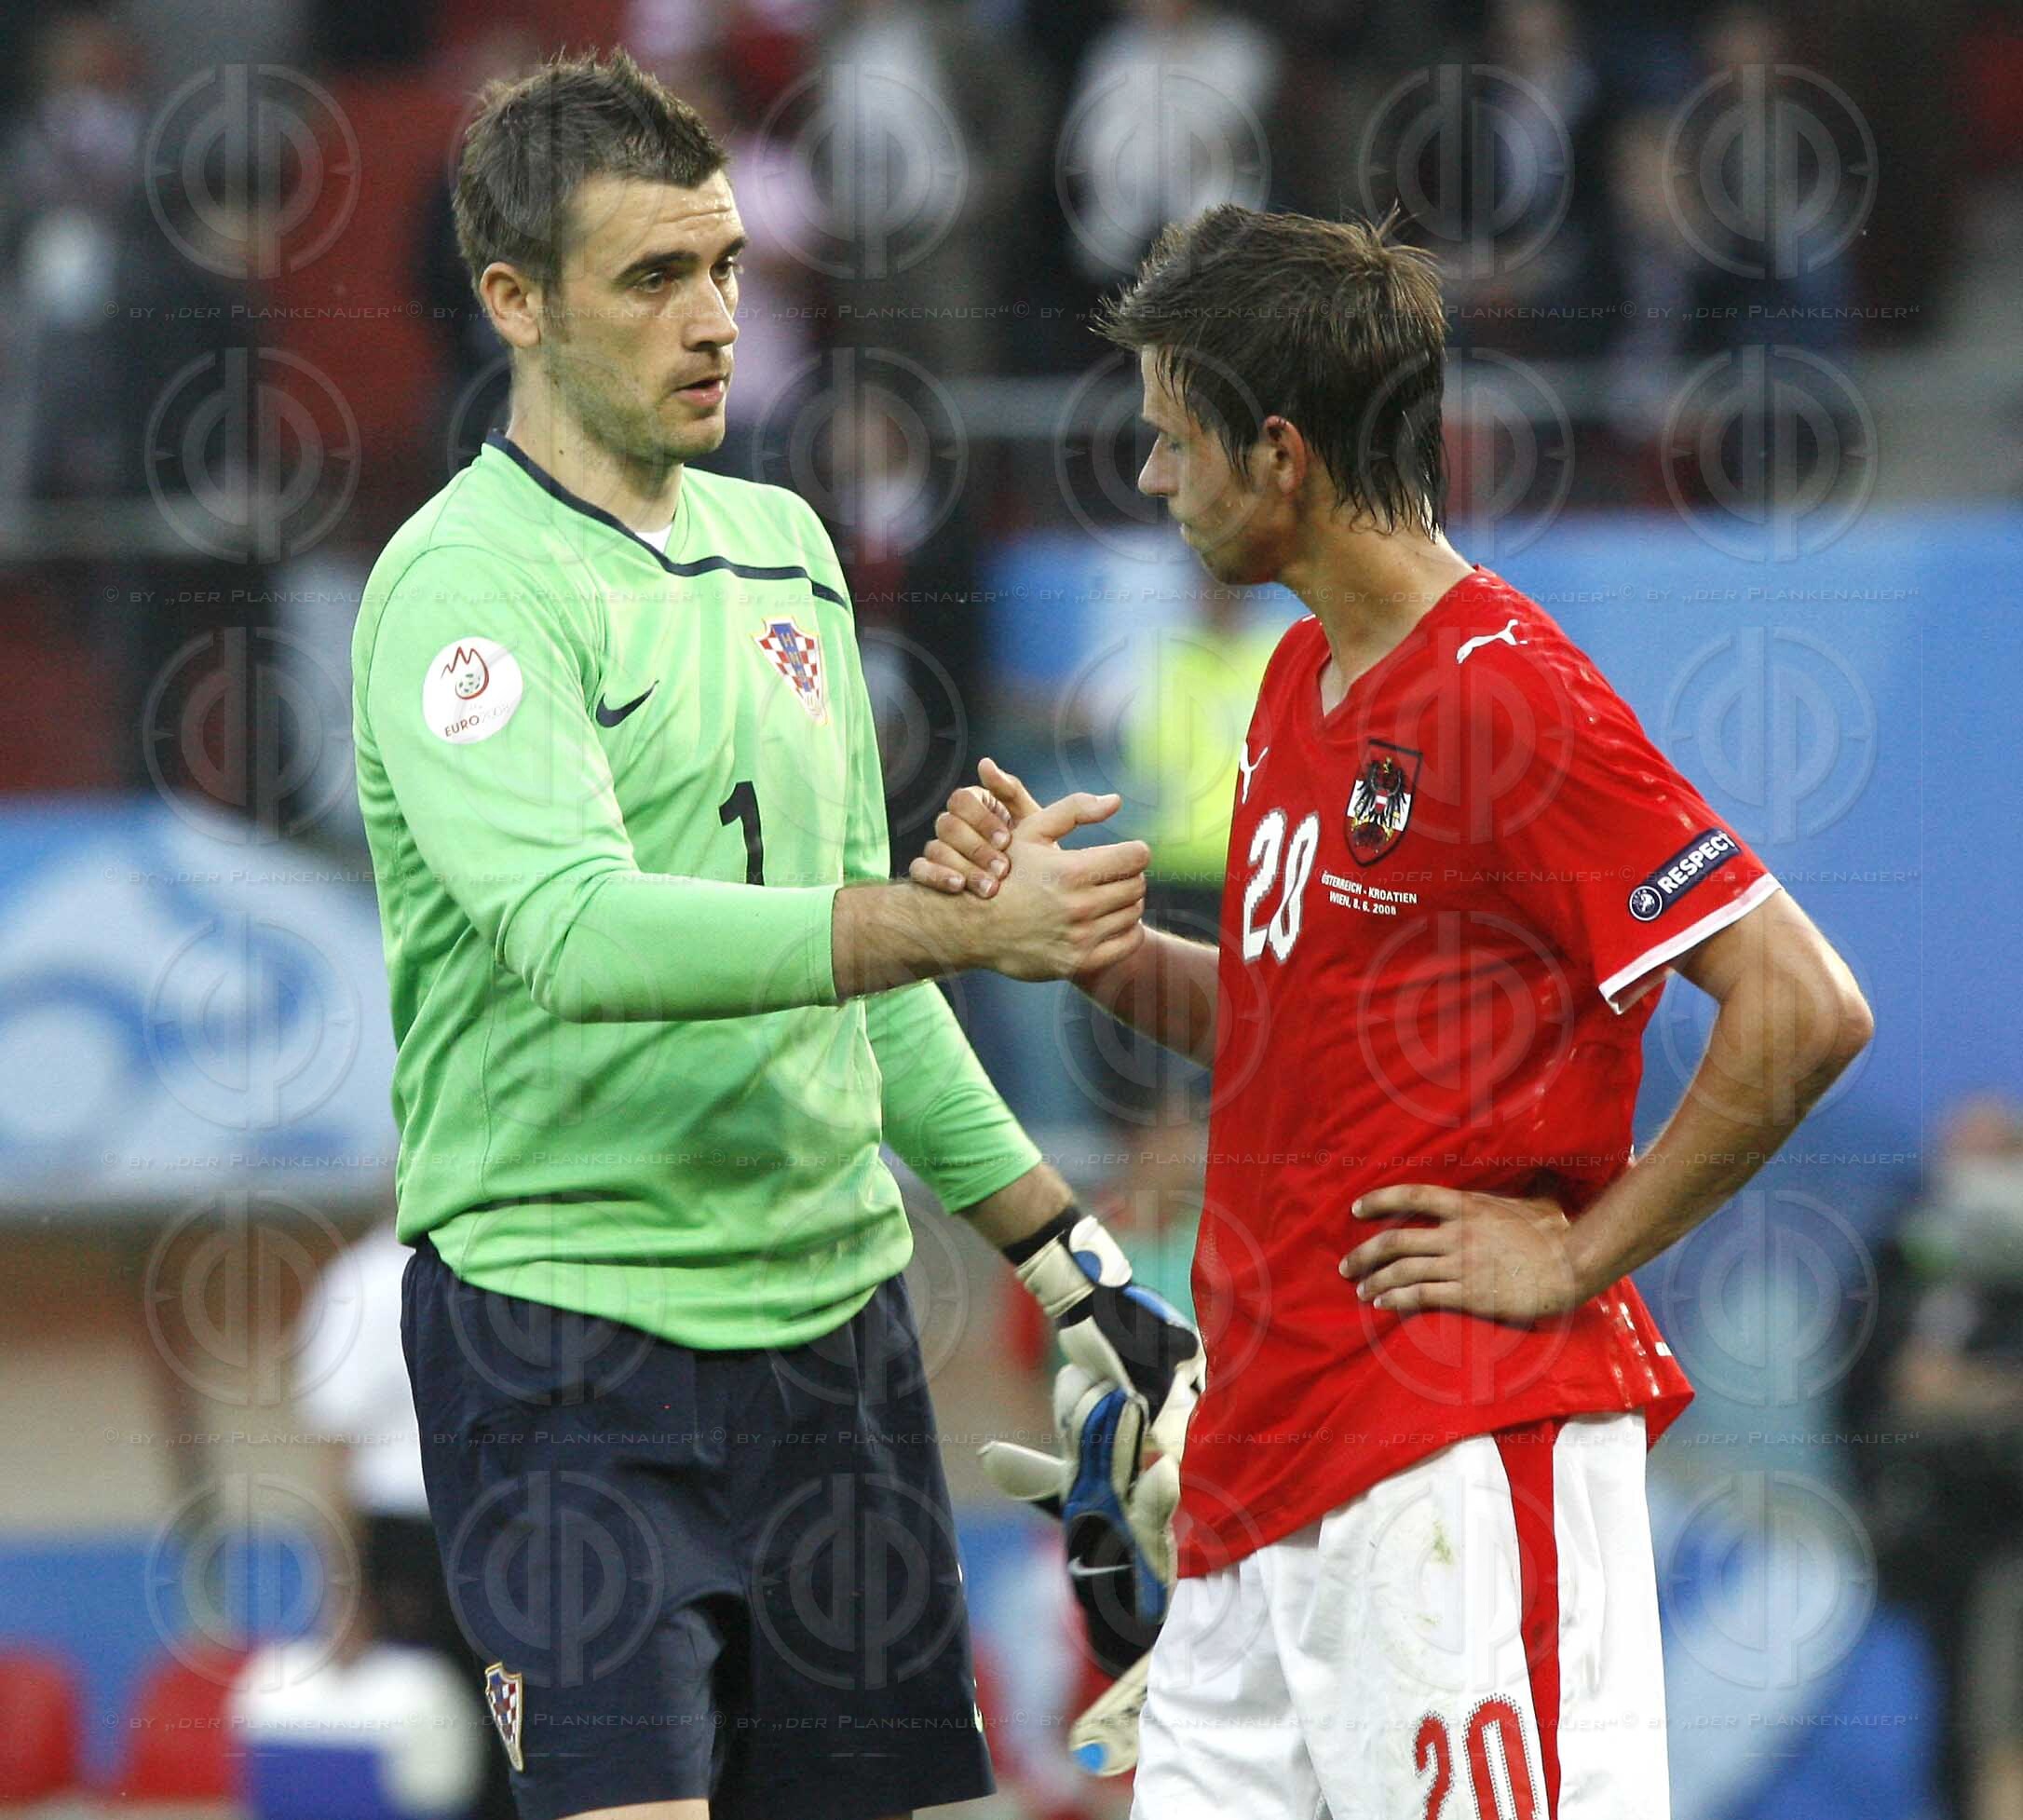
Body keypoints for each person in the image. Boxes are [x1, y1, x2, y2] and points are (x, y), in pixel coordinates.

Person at [916, 204, 1875, 1818]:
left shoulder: (1509, 692)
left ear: (1277, 453)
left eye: (1172, 440)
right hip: (1251, 1475)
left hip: (1453, 1456)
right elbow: (1304, 1030)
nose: (1152, 480)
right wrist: (1092, 949)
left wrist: (1574, 1252)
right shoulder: (1301, 684)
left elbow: (1800, 1006)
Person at [350, 50, 1202, 1820]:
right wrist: (944, 922)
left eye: (728, 264)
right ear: (513, 300)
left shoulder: (788, 546)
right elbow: (576, 932)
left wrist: (1078, 1267)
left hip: (834, 1344)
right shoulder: (462, 586)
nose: (715, 315)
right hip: (569, 1350)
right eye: (655, 277)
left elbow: (860, 996)